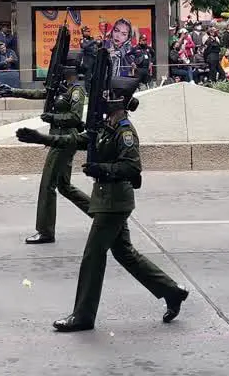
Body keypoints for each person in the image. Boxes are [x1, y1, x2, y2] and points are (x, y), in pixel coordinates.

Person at [16, 75, 188, 332]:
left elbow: (132, 167)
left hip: (115, 202)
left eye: (108, 96)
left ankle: (83, 315)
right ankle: (171, 291)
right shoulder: (107, 125)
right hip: (107, 200)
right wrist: (42, 138)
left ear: (118, 100)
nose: (102, 99)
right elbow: (77, 140)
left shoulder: (125, 131)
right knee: (125, 254)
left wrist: (102, 169)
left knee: (93, 256)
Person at [0, 60, 89, 244]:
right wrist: (14, 91)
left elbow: (75, 117)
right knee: (64, 186)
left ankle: (45, 231)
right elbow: (41, 94)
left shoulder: (76, 90)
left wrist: (52, 117)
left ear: (70, 70)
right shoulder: (63, 88)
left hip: (64, 140)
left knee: (47, 184)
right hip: (58, 138)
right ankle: (101, 214)